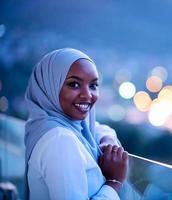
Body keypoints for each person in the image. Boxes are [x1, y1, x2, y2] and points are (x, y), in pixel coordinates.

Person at [24, 48, 128, 200]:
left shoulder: (48, 124)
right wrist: (114, 183)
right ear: (50, 87)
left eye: (93, 85)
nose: (87, 95)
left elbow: (98, 128)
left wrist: (108, 142)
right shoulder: (60, 140)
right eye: (74, 84)